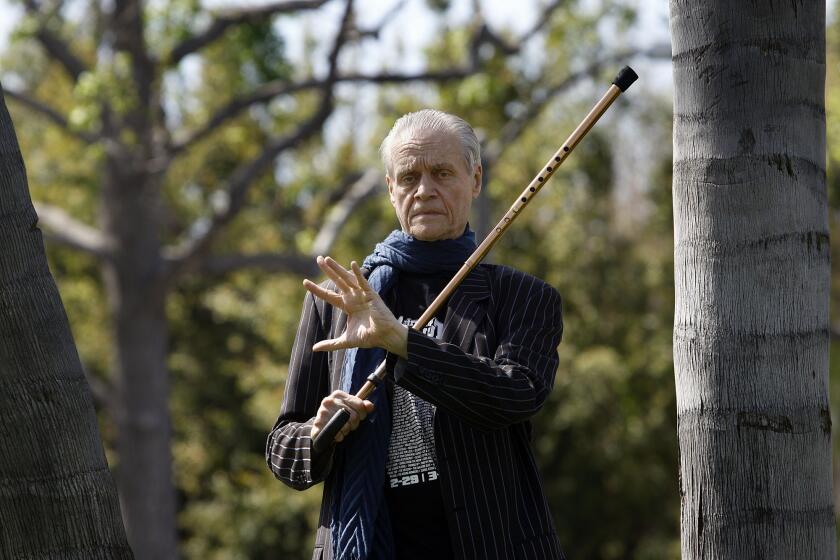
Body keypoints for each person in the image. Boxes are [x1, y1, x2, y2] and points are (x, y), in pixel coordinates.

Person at [266, 109, 565, 560]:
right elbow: (283, 452)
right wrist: (321, 430)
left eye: (442, 173)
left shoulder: (521, 295)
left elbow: (515, 395)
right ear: (391, 189)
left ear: (475, 179)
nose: (425, 190)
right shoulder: (339, 300)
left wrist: (403, 342)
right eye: (408, 177)